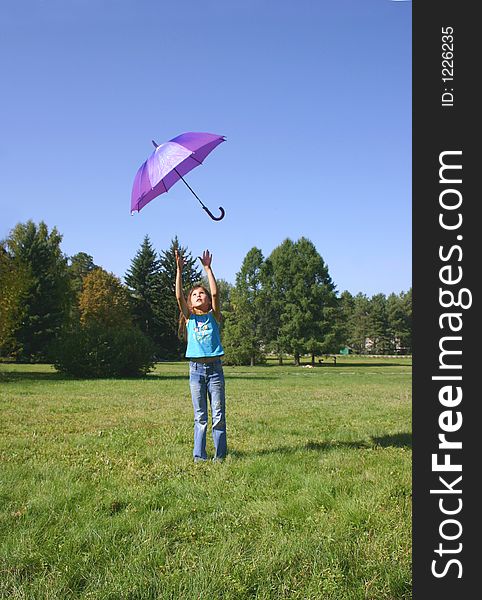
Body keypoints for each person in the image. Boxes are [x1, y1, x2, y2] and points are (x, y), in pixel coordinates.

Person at [175, 248, 227, 462]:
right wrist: (179, 271)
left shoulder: (214, 316)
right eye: (194, 294)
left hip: (215, 370)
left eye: (201, 293)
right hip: (196, 371)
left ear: (207, 300)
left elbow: (215, 293)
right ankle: (199, 456)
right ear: (190, 302)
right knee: (201, 417)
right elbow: (178, 295)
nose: (198, 295)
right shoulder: (189, 319)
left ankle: (220, 456)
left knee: (218, 416)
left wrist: (208, 268)